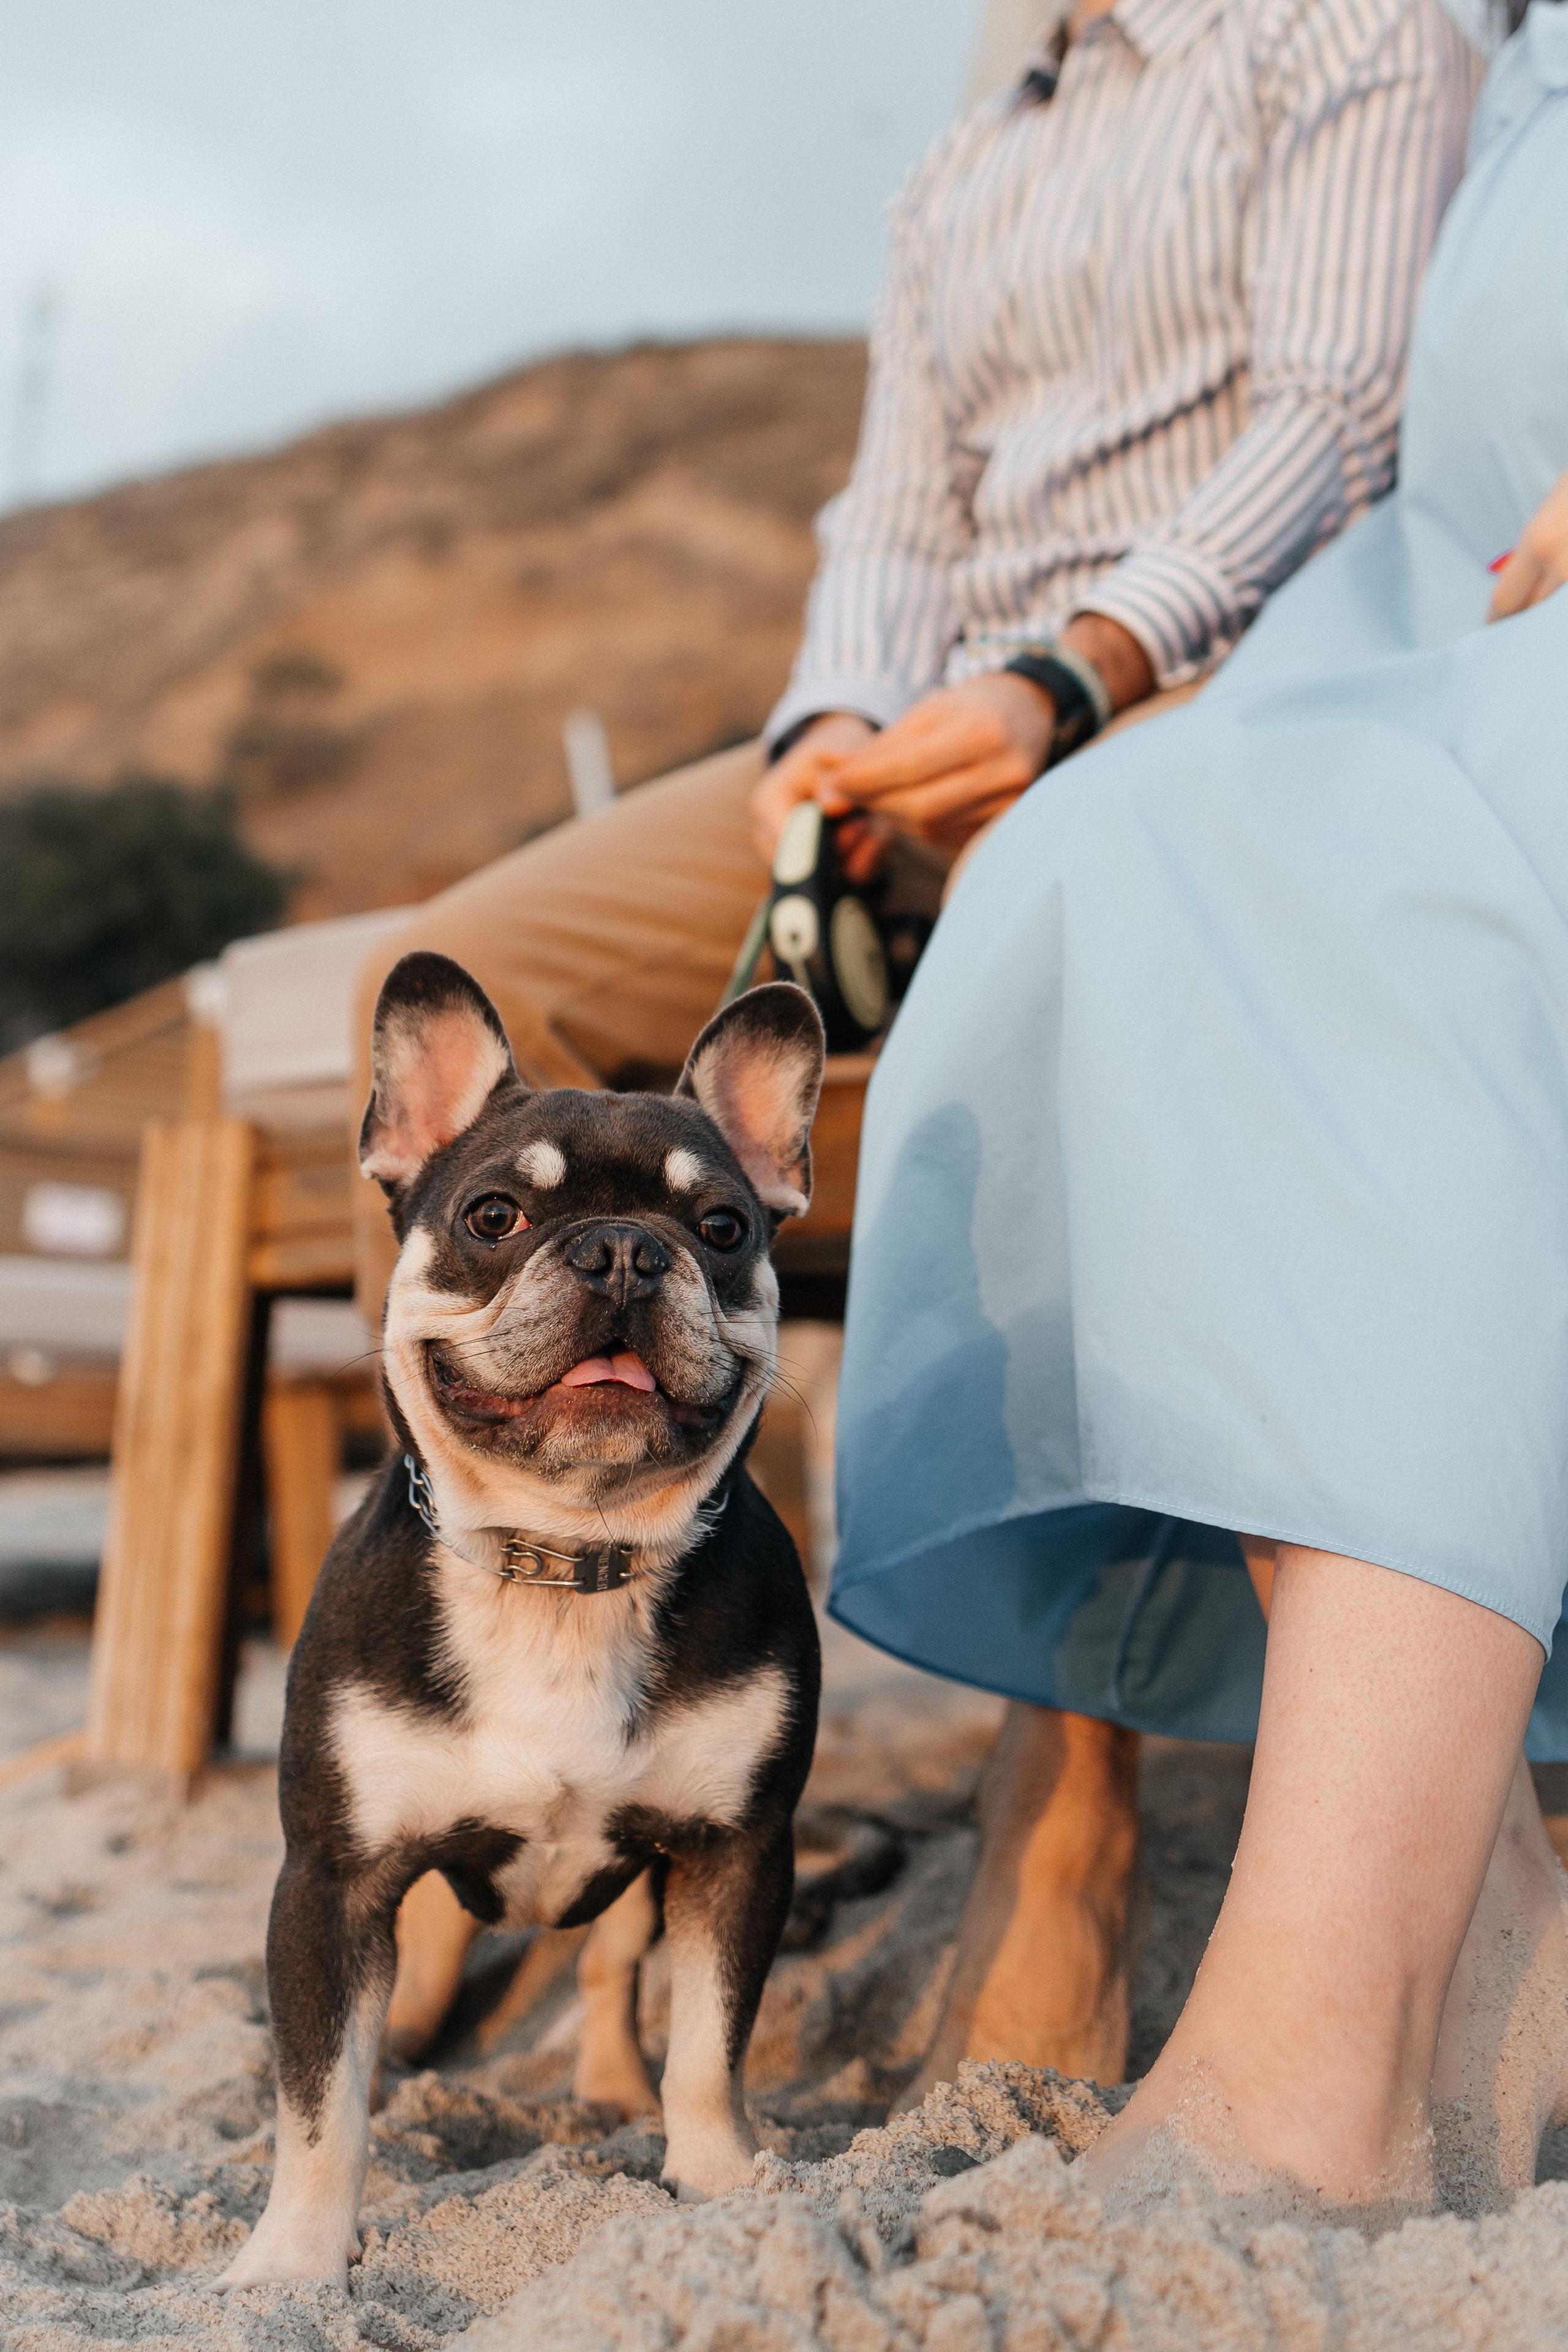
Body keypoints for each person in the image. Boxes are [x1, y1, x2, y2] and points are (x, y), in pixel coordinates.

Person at [355, 0, 1476, 2073]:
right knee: (462, 960)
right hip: (936, 706)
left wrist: (1080, 665)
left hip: (1204, 671)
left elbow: (1343, 410)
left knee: (1088, 945)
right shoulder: (981, 134)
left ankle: (1071, 1804)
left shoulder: (1349, 24)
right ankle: (454, 1749)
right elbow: (889, 509)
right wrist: (827, 734)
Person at [829, 0, 1568, 2214]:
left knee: (1351, 881)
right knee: (1113, 849)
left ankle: (1310, 2068)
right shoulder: (1494, 47)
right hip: (1423, 615)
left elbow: (1328, 400)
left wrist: (1079, 661)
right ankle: (1477, 1892)